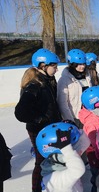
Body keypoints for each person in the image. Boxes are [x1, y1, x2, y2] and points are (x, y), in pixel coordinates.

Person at [14, 48, 62, 192]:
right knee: (41, 161)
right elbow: (20, 113)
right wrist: (41, 119)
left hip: (49, 127)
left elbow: (51, 105)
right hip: (39, 129)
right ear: (43, 65)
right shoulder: (34, 85)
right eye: (54, 66)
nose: (56, 69)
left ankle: (51, 185)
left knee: (51, 159)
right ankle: (37, 189)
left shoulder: (47, 81)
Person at [36, 122, 90, 192]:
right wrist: (66, 148)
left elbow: (84, 143)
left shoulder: (62, 163)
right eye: (72, 150)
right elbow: (78, 170)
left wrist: (72, 127)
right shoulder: (54, 179)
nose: (78, 153)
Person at [79, 86, 99, 192]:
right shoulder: (93, 121)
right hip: (95, 154)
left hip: (96, 152)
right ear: (97, 104)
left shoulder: (96, 115)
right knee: (98, 176)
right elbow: (94, 142)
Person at [57, 48, 92, 128]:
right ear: (72, 64)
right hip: (75, 117)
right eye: (79, 64)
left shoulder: (87, 76)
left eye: (83, 64)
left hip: (88, 114)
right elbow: (62, 103)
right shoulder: (64, 80)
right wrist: (70, 120)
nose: (82, 66)